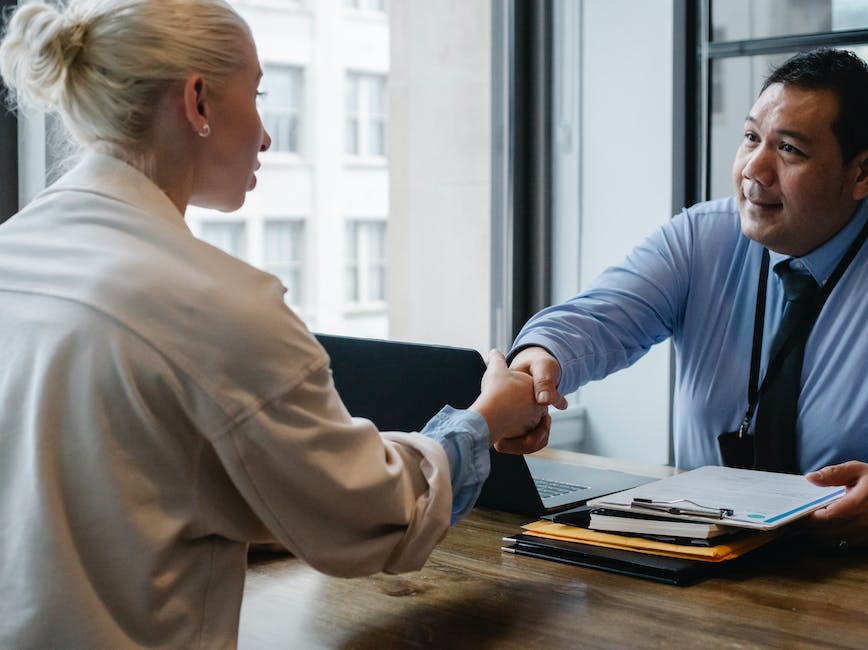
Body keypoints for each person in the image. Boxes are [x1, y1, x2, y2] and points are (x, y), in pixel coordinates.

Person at [0, 1, 549, 647]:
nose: (266, 136)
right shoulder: (216, 304)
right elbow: (371, 516)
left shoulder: (15, 251)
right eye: (257, 95)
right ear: (198, 102)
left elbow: (106, 489)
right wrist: (487, 419)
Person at [509, 47, 868, 549]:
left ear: (860, 174)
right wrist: (540, 359)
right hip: (702, 564)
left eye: (789, 150)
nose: (754, 169)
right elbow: (600, 318)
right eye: (750, 139)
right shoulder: (704, 237)